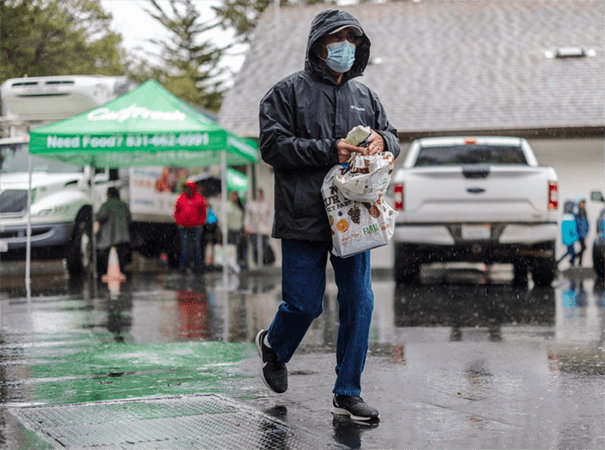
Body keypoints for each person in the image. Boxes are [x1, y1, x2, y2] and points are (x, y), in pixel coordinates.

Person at [256, 9, 399, 422]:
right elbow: (272, 146)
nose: (346, 47)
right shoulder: (285, 93)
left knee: (360, 301)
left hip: (354, 219)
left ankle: (348, 391)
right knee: (304, 305)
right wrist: (326, 150)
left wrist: (381, 138)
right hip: (304, 216)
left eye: (353, 39)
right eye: (338, 38)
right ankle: (275, 347)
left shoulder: (365, 97)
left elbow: (393, 138)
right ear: (318, 45)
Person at [96, 187, 131, 275]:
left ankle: (104, 273)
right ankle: (122, 272)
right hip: (123, 236)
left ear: (109, 194)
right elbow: (129, 219)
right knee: (121, 256)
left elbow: (101, 216)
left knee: (106, 255)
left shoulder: (106, 205)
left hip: (109, 236)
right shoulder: (123, 205)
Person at [174, 180, 207, 272]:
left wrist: (200, 223)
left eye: (187, 188)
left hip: (196, 227)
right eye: (185, 188)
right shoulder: (181, 198)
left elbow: (203, 212)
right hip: (184, 227)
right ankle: (184, 265)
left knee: (196, 247)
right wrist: (179, 222)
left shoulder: (199, 198)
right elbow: (177, 211)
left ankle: (197, 266)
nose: (186, 190)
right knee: (185, 247)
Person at [225, 190, 247, 269]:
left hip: (239, 229)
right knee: (231, 248)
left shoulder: (239, 206)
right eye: (232, 195)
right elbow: (224, 218)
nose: (234, 197)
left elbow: (242, 218)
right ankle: (231, 263)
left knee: (238, 247)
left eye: (235, 195)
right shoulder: (227, 206)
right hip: (231, 229)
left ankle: (237, 263)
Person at [557, 200, 578, 267]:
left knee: (570, 252)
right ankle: (571, 263)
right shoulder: (570, 218)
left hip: (567, 239)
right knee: (571, 252)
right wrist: (575, 237)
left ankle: (571, 262)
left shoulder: (564, 218)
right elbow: (572, 230)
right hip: (570, 239)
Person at [574, 196, 589, 266]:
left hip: (583, 233)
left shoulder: (584, 212)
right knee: (583, 247)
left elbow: (586, 222)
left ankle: (579, 260)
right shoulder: (577, 212)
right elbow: (577, 223)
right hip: (579, 233)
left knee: (583, 247)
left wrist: (587, 230)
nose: (582, 204)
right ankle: (577, 259)